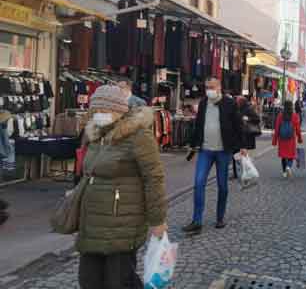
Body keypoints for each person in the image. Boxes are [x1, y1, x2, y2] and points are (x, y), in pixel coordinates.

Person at [77, 85, 167, 289]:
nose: (99, 115)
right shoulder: (95, 136)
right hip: (92, 222)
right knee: (89, 281)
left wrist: (157, 220)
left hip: (123, 222)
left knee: (118, 281)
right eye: (95, 110)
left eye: (104, 110)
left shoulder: (138, 136)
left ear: (119, 110)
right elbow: (86, 173)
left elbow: (154, 178)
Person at [183, 77, 244, 235]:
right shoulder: (203, 103)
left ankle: (220, 217)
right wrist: (193, 144)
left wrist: (241, 147)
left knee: (222, 185)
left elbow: (238, 126)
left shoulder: (229, 103)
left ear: (219, 87)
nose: (209, 89)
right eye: (207, 87)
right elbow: (199, 124)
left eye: (212, 87)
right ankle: (197, 221)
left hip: (223, 151)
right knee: (198, 183)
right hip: (205, 150)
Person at [272, 101, 303, 178]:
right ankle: (288, 166)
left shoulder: (280, 116)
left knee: (283, 156)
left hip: (282, 139)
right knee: (291, 155)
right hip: (291, 138)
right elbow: (298, 129)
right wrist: (299, 138)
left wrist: (274, 140)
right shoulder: (295, 116)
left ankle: (284, 172)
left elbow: (277, 129)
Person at [234, 95, 261, 179]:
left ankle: (245, 171)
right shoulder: (237, 109)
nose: (236, 102)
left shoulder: (249, 109)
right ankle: (238, 172)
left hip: (247, 135)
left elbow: (257, 119)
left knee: (242, 154)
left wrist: (247, 118)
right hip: (239, 134)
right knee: (237, 154)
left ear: (242, 102)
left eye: (237, 101)